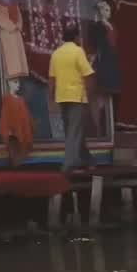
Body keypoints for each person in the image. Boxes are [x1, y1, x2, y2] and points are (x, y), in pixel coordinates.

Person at [49, 23, 95, 173]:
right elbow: (88, 74)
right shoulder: (78, 51)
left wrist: (51, 98)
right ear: (76, 37)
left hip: (62, 97)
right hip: (77, 96)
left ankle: (88, 160)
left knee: (73, 130)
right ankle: (70, 164)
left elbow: (52, 79)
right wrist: (90, 94)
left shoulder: (56, 54)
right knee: (74, 131)